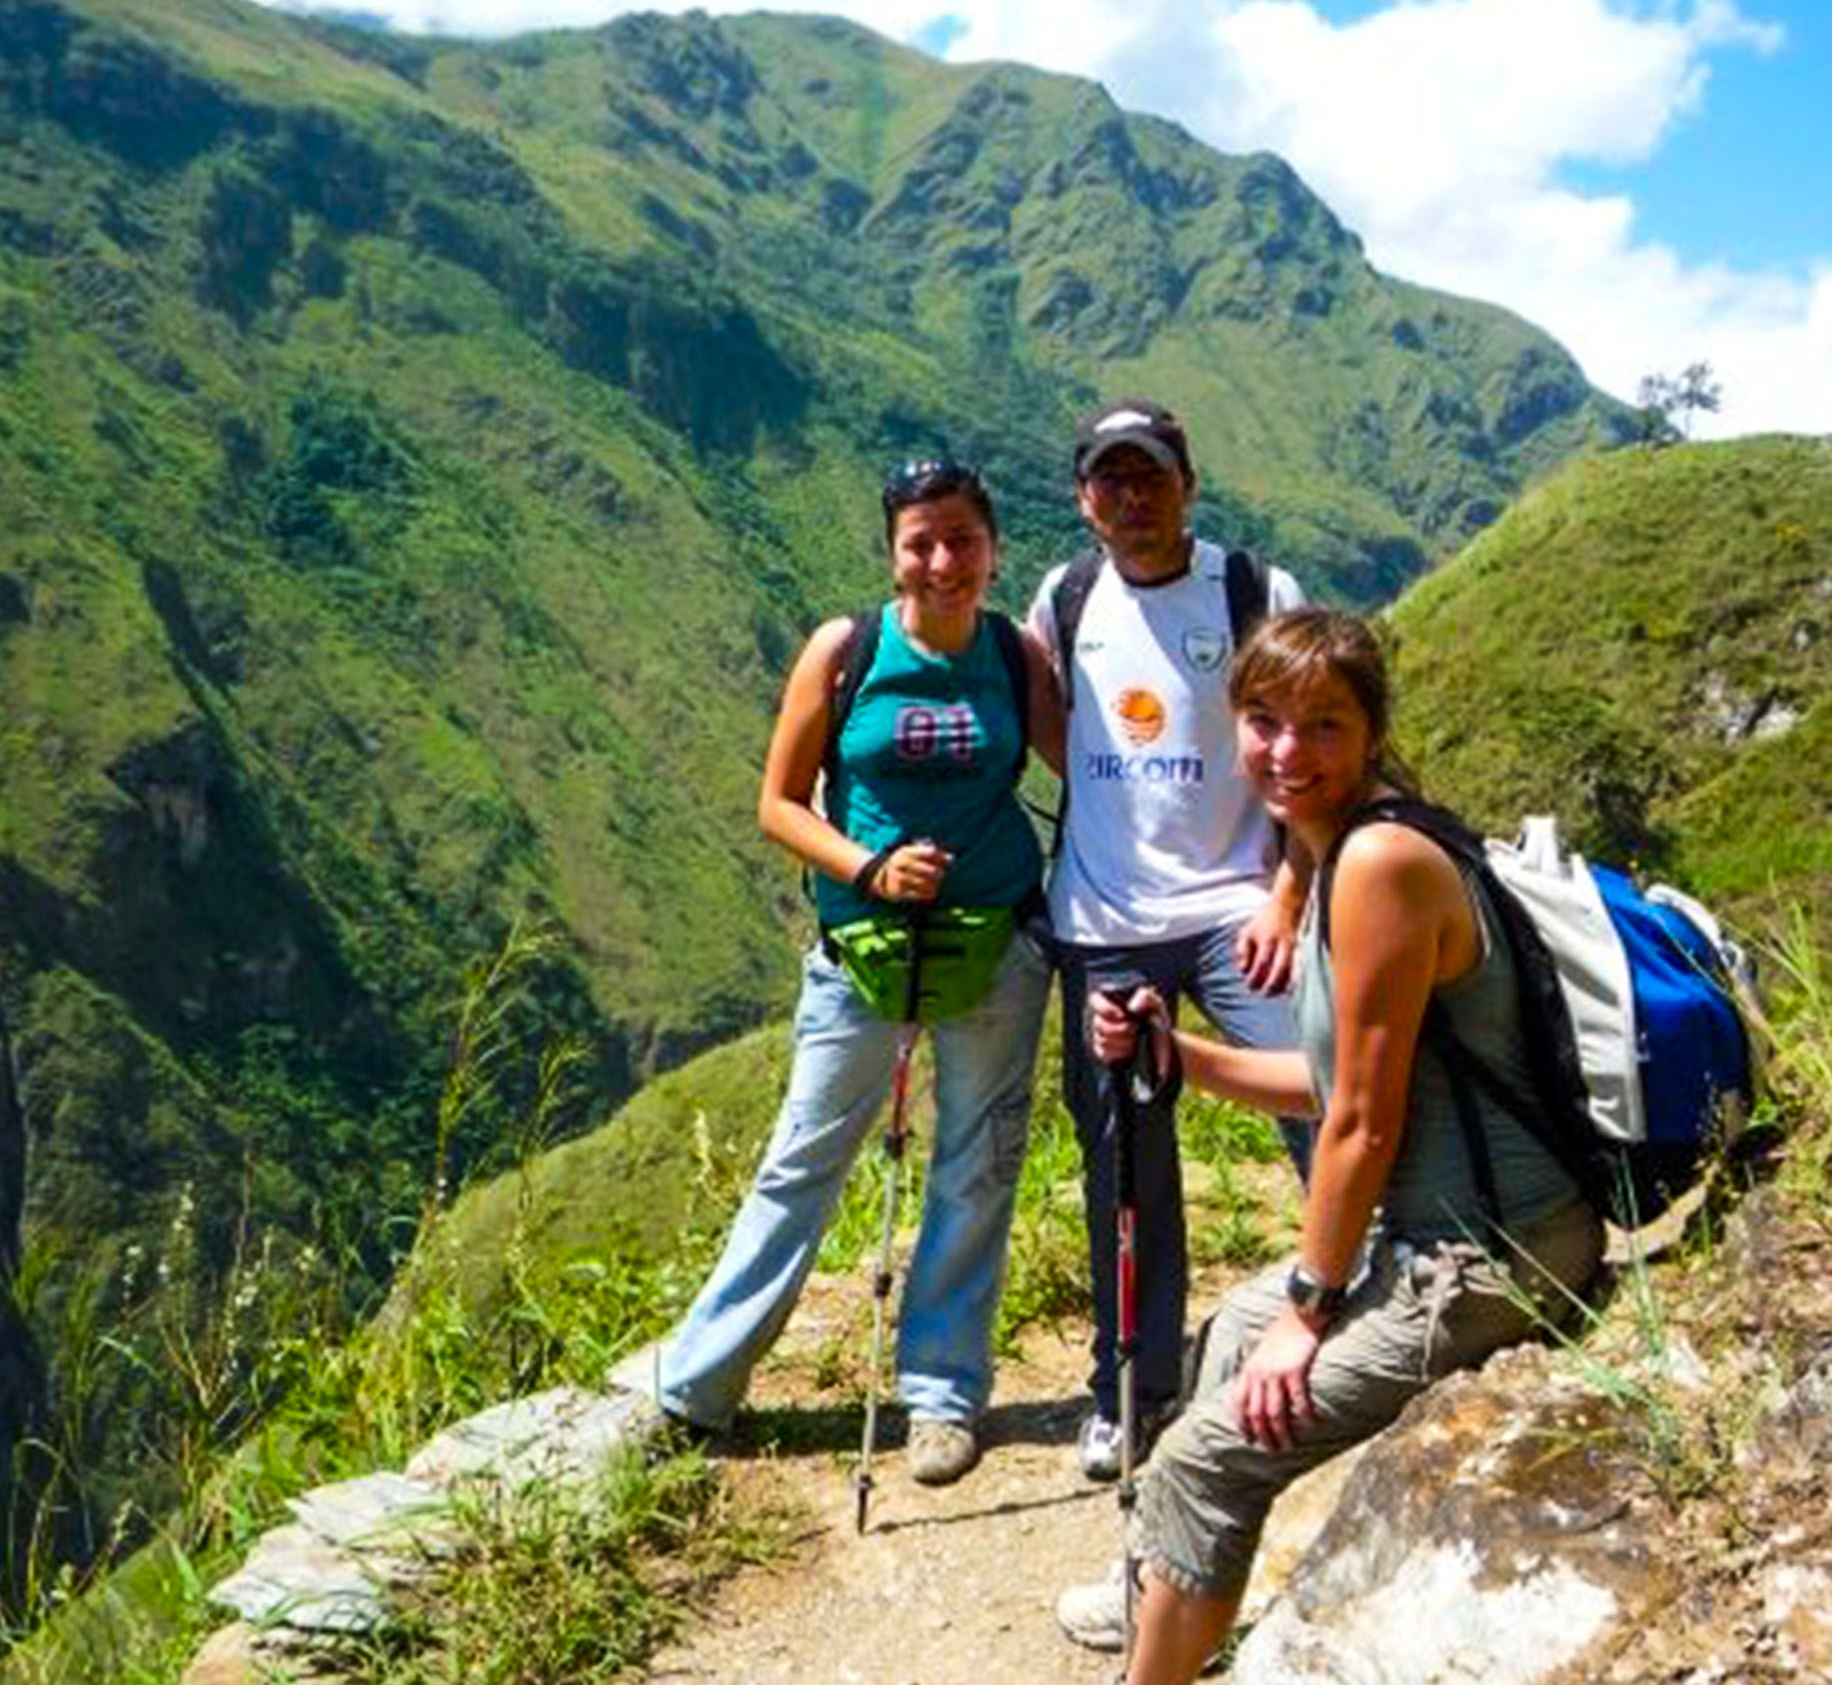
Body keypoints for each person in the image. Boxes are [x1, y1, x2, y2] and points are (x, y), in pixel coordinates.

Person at [1054, 608, 1605, 1680]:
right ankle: (1163, 1600)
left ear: (1372, 733)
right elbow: (1339, 1082)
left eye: (1324, 726)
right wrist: (1179, 1054)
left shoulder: (1378, 866)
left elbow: (1361, 1124)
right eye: (1264, 721)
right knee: (1230, 1336)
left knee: (1208, 1457)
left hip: (1495, 1255)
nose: (1287, 752)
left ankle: (1157, 1654)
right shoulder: (1346, 847)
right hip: (1437, 1237)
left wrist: (1308, 1312)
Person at [650, 459, 1060, 1488]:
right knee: (802, 1162)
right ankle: (696, 1391)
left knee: (976, 1164)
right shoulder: (847, 651)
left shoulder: (1016, 655)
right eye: (922, 542)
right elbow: (780, 803)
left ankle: (943, 1398)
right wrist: (871, 867)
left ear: (993, 548)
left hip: (996, 944)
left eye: (963, 539)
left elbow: (1090, 774)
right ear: (892, 553)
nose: (943, 561)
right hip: (863, 951)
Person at [1027, 397, 1314, 1482]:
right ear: (1083, 499)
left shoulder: (1255, 593)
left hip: (1241, 911)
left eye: (1150, 474)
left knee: (1318, 1088)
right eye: (1111, 478)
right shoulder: (1065, 597)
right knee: (1123, 1158)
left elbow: (1310, 754)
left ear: (1188, 484)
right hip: (1104, 924)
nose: (1132, 496)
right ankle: (1134, 1386)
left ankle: (1368, 1295)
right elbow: (1053, 723)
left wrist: (1288, 893)